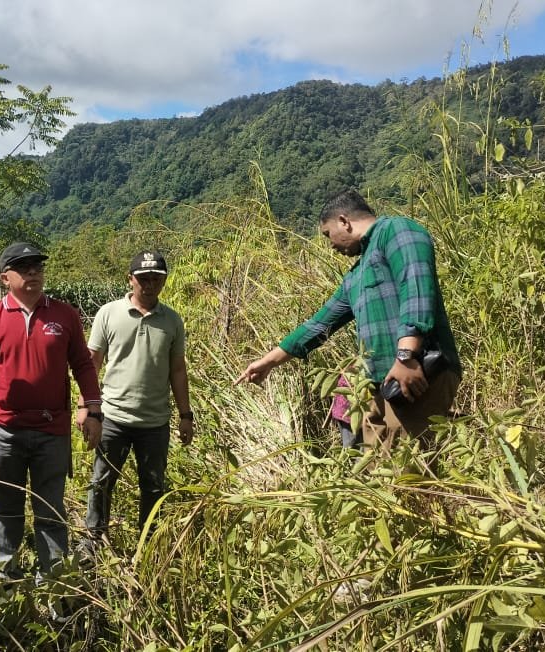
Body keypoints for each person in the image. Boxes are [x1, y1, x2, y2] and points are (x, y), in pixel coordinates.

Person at [236, 189, 461, 455]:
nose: (331, 245)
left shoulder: (396, 231)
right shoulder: (356, 275)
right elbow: (319, 325)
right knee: (382, 473)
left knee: (411, 471)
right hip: (382, 384)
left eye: (328, 234)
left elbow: (416, 288)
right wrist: (268, 362)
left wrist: (405, 357)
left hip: (418, 374)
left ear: (344, 221)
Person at [0, 242, 103, 580]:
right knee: (6, 511)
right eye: (23, 267)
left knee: (50, 510)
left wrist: (92, 409)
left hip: (52, 431)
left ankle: (55, 588)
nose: (32, 272)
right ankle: (6, 585)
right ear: (6, 277)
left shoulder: (64, 315)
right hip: (4, 431)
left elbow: (82, 363)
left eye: (37, 266)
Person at [84, 251, 194, 542]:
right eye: (143, 278)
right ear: (130, 279)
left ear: (164, 281)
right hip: (113, 418)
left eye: (156, 278)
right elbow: (91, 363)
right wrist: (85, 407)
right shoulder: (109, 314)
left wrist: (186, 416)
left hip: (154, 422)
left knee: (154, 487)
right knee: (101, 484)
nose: (149, 284)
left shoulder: (172, 320)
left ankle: (148, 546)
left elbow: (178, 370)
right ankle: (94, 544)